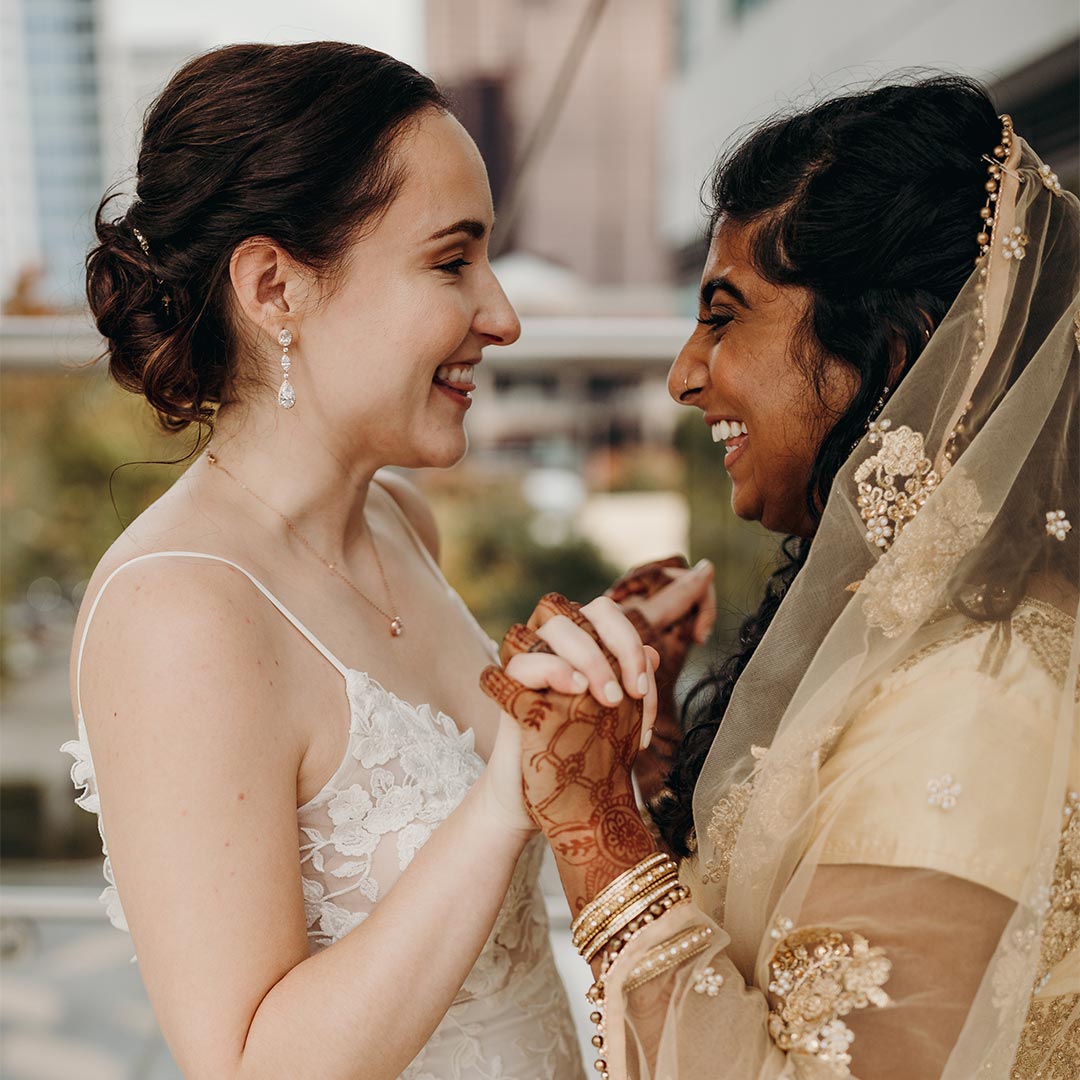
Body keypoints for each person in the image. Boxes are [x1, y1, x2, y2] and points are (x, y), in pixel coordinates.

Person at [62, 42, 714, 1079]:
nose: (501, 316)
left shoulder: (404, 521)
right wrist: (505, 798)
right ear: (275, 287)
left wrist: (618, 706)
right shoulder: (178, 614)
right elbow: (245, 1065)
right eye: (452, 261)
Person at [483, 76, 1079, 1077]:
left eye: (725, 316)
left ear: (894, 356)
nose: (683, 373)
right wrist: (652, 760)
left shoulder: (982, 703)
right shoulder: (917, 644)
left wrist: (599, 833)